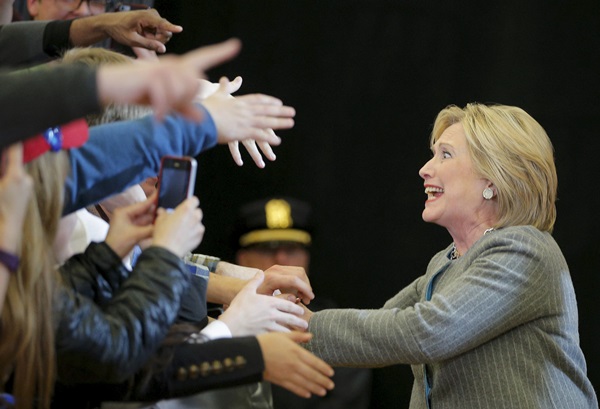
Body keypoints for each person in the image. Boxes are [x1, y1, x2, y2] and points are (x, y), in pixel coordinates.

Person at [298, 103, 599, 409]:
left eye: (445, 154)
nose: (424, 169)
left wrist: (305, 325)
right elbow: (383, 329)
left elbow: (426, 332)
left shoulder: (525, 251)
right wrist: (277, 311)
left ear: (493, 179)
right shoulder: (444, 263)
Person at [222, 197, 371, 409]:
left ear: (306, 258)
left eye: (292, 249)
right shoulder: (219, 321)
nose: (281, 258)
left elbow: (346, 400)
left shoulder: (332, 324)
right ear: (242, 258)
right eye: (267, 249)